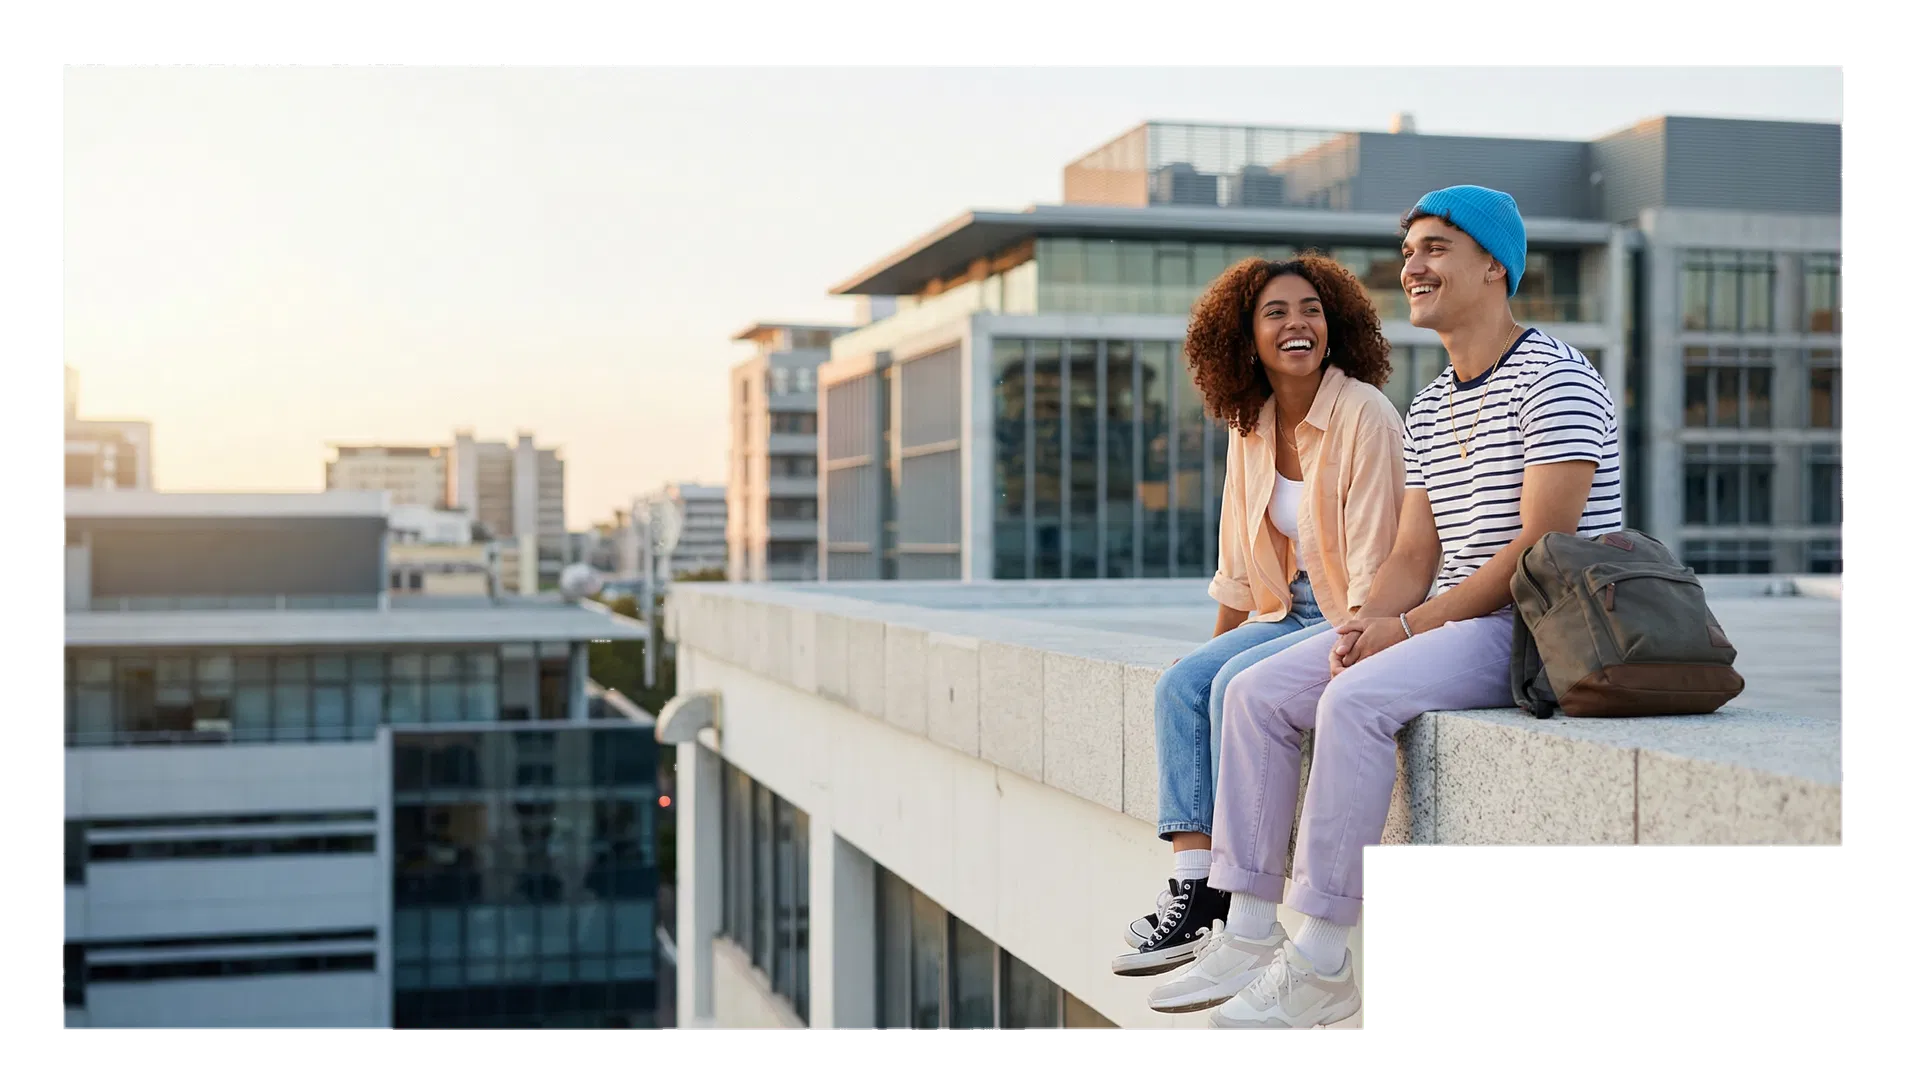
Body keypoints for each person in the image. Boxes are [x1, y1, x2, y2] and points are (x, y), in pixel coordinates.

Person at [1146, 185, 1623, 1031]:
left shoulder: (1556, 379)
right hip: (1458, 619)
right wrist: (1369, 622)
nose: (1414, 266)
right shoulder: (1437, 402)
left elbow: (1537, 554)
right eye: (1409, 252)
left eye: (1436, 249)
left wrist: (1402, 630)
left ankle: (1323, 956)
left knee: (1355, 699)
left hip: (1539, 627)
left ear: (1493, 265)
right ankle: (1251, 931)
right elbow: (1412, 555)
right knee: (1255, 694)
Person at [1111, 254, 1405, 978]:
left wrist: (1358, 638)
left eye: (1310, 309)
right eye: (1275, 312)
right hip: (1282, 610)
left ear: (1334, 328)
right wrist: (1206, 659)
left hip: (1347, 611)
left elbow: (1377, 559)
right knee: (1183, 684)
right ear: (1247, 335)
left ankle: (1238, 901)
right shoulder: (1253, 423)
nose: (1296, 323)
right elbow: (1239, 570)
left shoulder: (1364, 412)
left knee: (1232, 688)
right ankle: (1195, 888)